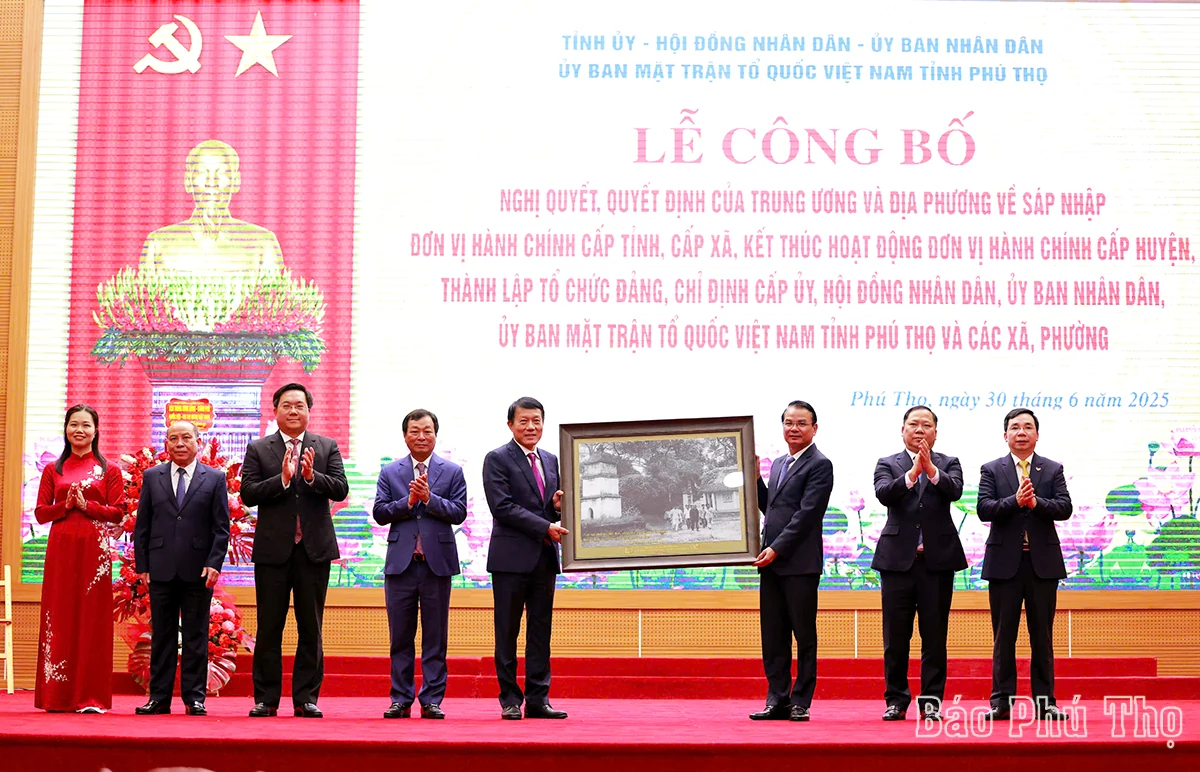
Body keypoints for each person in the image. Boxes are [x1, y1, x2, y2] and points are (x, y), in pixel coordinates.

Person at [242, 383, 349, 718]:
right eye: (286, 405)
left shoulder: (326, 446)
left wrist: (310, 476)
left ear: (308, 410)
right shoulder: (259, 449)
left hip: (313, 551)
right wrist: (284, 479)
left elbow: (341, 488)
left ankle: (306, 698)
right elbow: (248, 493)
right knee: (269, 626)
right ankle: (266, 699)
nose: (293, 411)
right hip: (274, 551)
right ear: (275, 410)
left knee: (310, 626)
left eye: (299, 405)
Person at [872, 406, 967, 721]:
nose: (920, 430)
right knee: (895, 638)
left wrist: (930, 469)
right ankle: (896, 700)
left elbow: (954, 491)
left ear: (935, 433)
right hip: (898, 562)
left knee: (935, 636)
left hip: (936, 563)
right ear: (902, 430)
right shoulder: (887, 463)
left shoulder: (948, 463)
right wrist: (913, 473)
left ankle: (931, 704)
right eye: (913, 424)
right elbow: (885, 494)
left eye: (927, 425)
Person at [978, 408, 1073, 721]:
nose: (1021, 432)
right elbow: (984, 509)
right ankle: (1001, 702)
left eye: (1027, 427)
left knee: (1042, 636)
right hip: (1005, 564)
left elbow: (1064, 508)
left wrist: (1036, 503)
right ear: (1005, 435)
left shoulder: (1052, 469)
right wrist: (1015, 501)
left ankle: (1046, 702)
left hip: (1042, 564)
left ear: (1036, 434)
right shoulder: (991, 469)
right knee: (1004, 636)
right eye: (1015, 427)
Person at [373, 409, 468, 719]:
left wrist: (429, 499)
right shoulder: (390, 472)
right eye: (415, 431)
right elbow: (380, 512)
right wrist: (408, 503)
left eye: (427, 431)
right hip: (400, 565)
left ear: (435, 435)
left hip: (436, 565)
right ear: (405, 436)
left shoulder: (452, 472)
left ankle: (431, 699)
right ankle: (400, 698)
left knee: (435, 637)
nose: (421, 436)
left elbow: (459, 512)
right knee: (400, 636)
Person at [34, 405, 127, 713]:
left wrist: (88, 507)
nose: (79, 430)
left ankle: (91, 697)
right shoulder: (54, 469)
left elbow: (119, 511)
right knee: (59, 614)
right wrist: (65, 506)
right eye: (74, 424)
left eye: (86, 425)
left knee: (93, 618)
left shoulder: (109, 469)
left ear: (95, 431)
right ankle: (56, 696)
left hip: (95, 550)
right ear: (66, 429)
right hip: (61, 547)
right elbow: (40, 512)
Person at [133, 421, 230, 716]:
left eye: (186, 437)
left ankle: (194, 697)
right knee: (162, 635)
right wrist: (143, 566)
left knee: (195, 636)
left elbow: (221, 527)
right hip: (160, 568)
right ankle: (159, 697)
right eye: (173, 438)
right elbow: (143, 527)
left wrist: (214, 564)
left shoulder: (214, 478)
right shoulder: (152, 476)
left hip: (198, 570)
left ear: (198, 442)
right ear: (166, 443)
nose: (179, 443)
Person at [483, 397, 569, 720]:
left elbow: (547, 506)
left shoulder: (550, 460)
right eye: (523, 421)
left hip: (544, 559)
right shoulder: (497, 459)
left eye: (536, 421)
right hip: (509, 559)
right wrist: (546, 525)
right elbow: (502, 507)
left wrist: (557, 507)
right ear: (510, 425)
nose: (531, 427)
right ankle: (509, 699)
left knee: (540, 632)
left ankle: (538, 698)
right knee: (507, 631)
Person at [750, 400, 834, 722]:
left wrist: (777, 548)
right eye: (788, 422)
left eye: (801, 423)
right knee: (773, 635)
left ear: (814, 428)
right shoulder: (780, 464)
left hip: (799, 563)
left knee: (803, 635)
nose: (794, 428)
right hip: (770, 562)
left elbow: (806, 515)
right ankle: (777, 699)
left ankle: (801, 701)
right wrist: (757, 480)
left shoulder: (820, 464)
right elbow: (771, 508)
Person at [139, 139, 282, 277]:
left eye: (221, 173)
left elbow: (275, 300)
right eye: (202, 172)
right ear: (188, 181)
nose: (211, 182)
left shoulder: (263, 244)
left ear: (236, 181)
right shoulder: (158, 244)